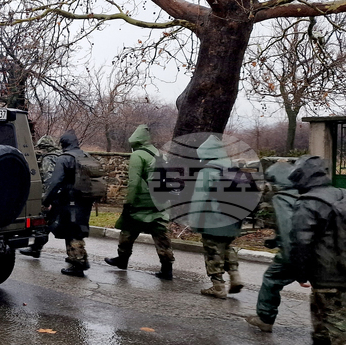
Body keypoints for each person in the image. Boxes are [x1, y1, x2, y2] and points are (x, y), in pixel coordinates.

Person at [288, 156, 346, 345]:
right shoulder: (342, 194)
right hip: (339, 263)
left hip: (328, 270)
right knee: (321, 307)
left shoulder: (308, 203)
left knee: (335, 315)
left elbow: (301, 242)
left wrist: (300, 273)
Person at [104, 124, 174, 280]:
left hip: (141, 201)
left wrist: (128, 202)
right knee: (161, 235)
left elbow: (134, 182)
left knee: (127, 231)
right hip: (160, 202)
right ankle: (167, 269)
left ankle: (122, 260)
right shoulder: (160, 154)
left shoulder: (138, 155)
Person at [245, 161, 299, 332]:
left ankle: (265, 318)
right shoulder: (303, 193)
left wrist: (291, 258)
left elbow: (288, 227)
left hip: (296, 251)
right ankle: (322, 337)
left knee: (271, 279)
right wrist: (275, 241)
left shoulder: (282, 198)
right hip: (323, 250)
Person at [191, 135, 244, 299]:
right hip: (234, 219)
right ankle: (235, 276)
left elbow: (199, 199)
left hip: (213, 220)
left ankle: (218, 286)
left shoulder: (208, 171)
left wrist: (194, 222)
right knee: (226, 247)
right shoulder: (234, 168)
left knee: (213, 250)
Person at [42, 130, 94, 277]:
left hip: (69, 200)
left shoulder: (64, 158)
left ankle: (78, 262)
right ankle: (78, 259)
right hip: (86, 200)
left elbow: (55, 182)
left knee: (72, 230)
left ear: (64, 144)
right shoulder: (86, 156)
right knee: (78, 228)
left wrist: (47, 200)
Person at [19, 135, 61, 258]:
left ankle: (36, 249)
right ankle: (36, 248)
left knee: (43, 222)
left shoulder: (49, 158)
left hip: (53, 196)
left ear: (45, 147)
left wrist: (46, 199)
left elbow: (49, 180)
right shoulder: (62, 155)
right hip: (65, 195)